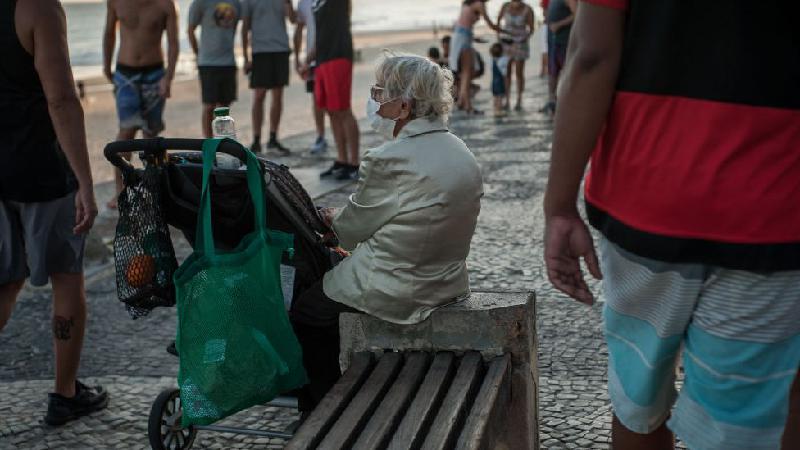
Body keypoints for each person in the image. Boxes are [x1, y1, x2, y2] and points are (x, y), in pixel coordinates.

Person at [544, 2, 800, 450]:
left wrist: (560, 206)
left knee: (638, 396)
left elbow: (592, 57)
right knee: (742, 424)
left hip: (645, 200)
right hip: (772, 208)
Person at [290, 54, 483, 412]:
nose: (374, 101)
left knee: (306, 314)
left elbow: (350, 231)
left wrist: (334, 221)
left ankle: (324, 410)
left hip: (398, 285)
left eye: (380, 94)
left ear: (404, 106)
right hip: (448, 279)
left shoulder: (389, 158)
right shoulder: (460, 149)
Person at [0, 0, 108, 426]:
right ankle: (65, 394)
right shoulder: (39, 8)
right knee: (66, 278)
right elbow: (61, 98)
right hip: (42, 169)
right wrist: (85, 180)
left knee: (5, 283)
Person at [103, 0, 179, 209]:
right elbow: (109, 33)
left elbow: (173, 43)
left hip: (155, 75)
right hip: (125, 73)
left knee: (151, 136)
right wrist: (106, 66)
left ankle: (154, 189)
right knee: (126, 132)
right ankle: (120, 191)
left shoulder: (166, 4)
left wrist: (168, 78)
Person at [307, 0, 360, 181]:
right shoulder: (315, 3)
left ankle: (354, 164)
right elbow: (319, 33)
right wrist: (308, 60)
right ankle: (342, 160)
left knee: (343, 110)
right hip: (322, 59)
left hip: (339, 55)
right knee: (330, 111)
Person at [242, 0, 294, 154]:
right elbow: (245, 27)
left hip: (281, 49)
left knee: (278, 96)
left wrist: (289, 4)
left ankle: (273, 137)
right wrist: (246, 57)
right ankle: (256, 139)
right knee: (259, 95)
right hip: (260, 51)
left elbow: (291, 19)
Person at [188, 0, 246, 137]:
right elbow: (190, 29)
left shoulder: (236, 4)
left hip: (229, 62)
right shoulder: (200, 3)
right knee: (209, 106)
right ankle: (209, 143)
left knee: (225, 108)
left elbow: (241, 26)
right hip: (207, 63)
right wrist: (198, 54)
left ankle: (222, 142)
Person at [451, 0, 502, 114]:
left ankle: (464, 103)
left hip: (462, 36)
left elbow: (462, 23)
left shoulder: (467, 4)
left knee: (466, 72)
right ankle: (465, 104)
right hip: (464, 37)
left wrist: (473, 38)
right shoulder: (479, 4)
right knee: (467, 72)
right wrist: (505, 31)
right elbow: (490, 24)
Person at [294, 0, 328, 155]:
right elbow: (299, 30)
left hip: (330, 55)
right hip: (311, 59)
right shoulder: (303, 3)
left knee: (333, 102)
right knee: (316, 99)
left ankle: (343, 145)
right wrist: (297, 58)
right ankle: (321, 136)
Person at [497, 0, 535, 110]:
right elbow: (498, 23)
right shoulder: (505, 6)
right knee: (506, 71)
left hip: (521, 43)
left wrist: (523, 39)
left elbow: (531, 29)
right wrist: (499, 38)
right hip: (506, 43)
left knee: (519, 72)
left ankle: (519, 99)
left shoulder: (528, 9)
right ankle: (507, 100)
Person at [540, 0, 575, 114]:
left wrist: (559, 24)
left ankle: (567, 102)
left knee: (567, 71)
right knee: (552, 71)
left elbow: (577, 14)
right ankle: (552, 100)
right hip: (553, 41)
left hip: (564, 41)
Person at [489, 42, 509, 115]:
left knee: (495, 97)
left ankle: (495, 110)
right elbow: (504, 74)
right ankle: (499, 111)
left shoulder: (492, 60)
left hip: (493, 83)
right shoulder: (503, 60)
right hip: (500, 83)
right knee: (500, 98)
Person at [538, 0, 550, 77]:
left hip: (548, 24)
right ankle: (544, 69)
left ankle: (544, 69)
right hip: (548, 24)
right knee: (545, 49)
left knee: (545, 49)